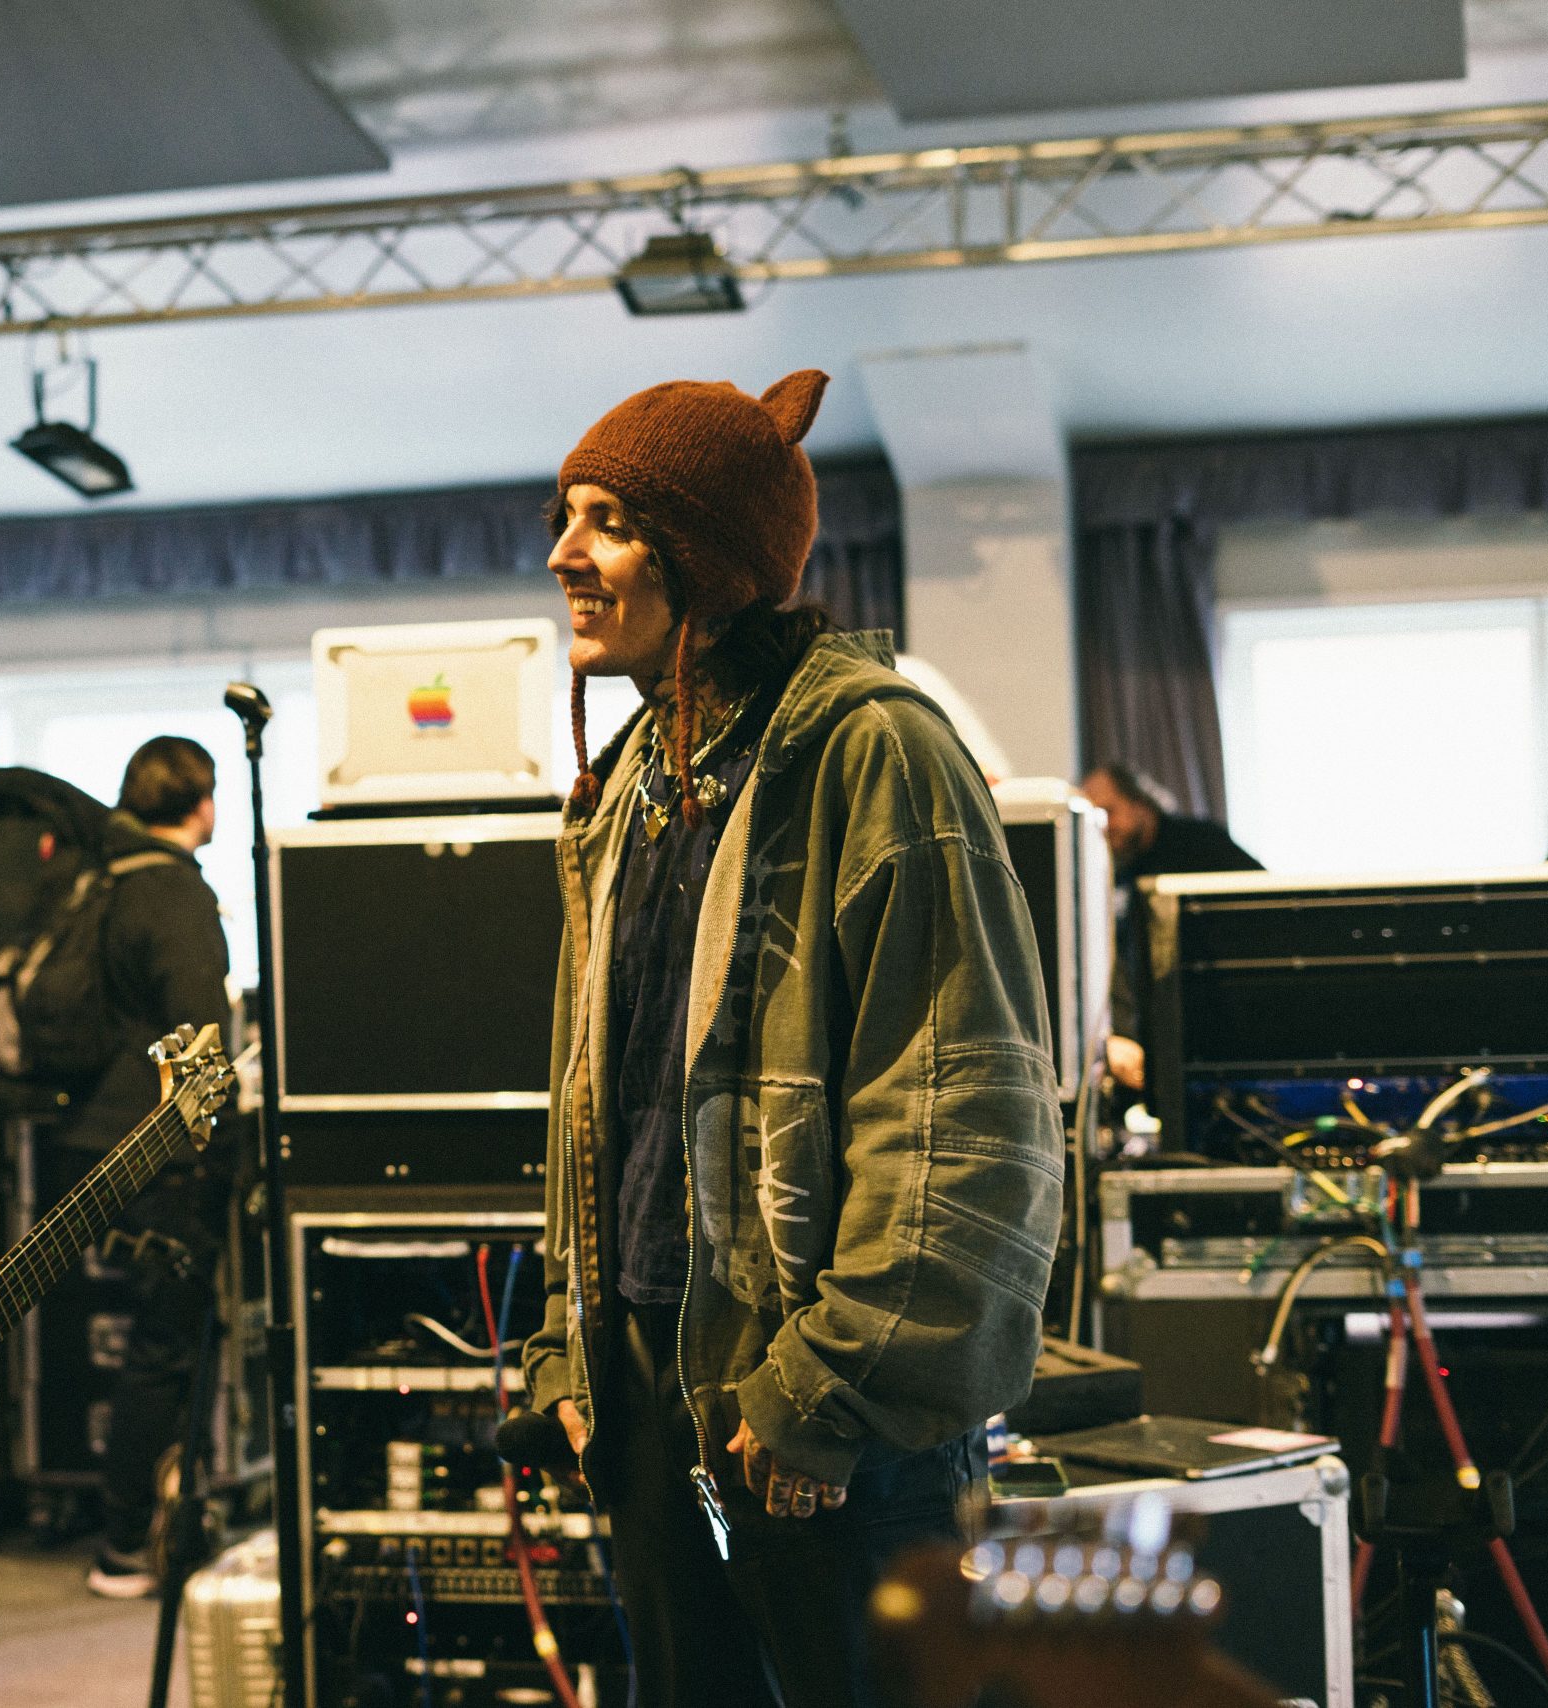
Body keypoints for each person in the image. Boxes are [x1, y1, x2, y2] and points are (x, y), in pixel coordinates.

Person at [517, 373, 1064, 1708]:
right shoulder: (631, 781)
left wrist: (832, 1384)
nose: (565, 555)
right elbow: (595, 1105)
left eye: (609, 523)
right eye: (566, 517)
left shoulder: (873, 747)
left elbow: (957, 1109)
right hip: (653, 1388)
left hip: (824, 1414)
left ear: (706, 557)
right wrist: (568, 1352)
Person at [74, 735, 234, 1598]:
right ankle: (128, 1542)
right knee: (167, 1344)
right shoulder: (176, 891)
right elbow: (199, 1035)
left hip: (98, 1137)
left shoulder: (107, 879)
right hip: (161, 1150)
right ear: (203, 805)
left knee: (144, 1338)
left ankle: (135, 1527)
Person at [1078, 763, 1261, 1092]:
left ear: (1140, 804)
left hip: (1224, 1034)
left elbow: (1263, 908)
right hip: (1162, 1040)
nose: (1104, 828)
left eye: (1109, 812)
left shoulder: (1201, 843)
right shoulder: (1116, 871)